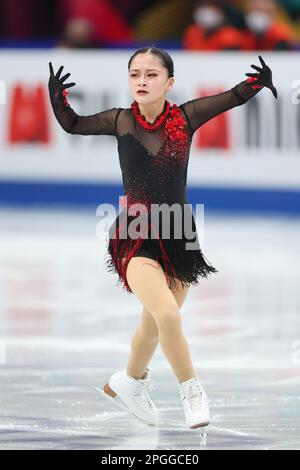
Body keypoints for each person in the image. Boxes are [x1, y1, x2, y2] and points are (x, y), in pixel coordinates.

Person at [48, 48, 277, 429]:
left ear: (169, 82)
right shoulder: (120, 120)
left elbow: (231, 98)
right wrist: (57, 99)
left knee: (153, 326)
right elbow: (73, 124)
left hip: (179, 237)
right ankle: (192, 391)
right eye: (135, 74)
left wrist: (257, 82)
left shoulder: (186, 117)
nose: (142, 80)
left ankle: (129, 382)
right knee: (167, 314)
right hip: (135, 236)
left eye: (152, 75)